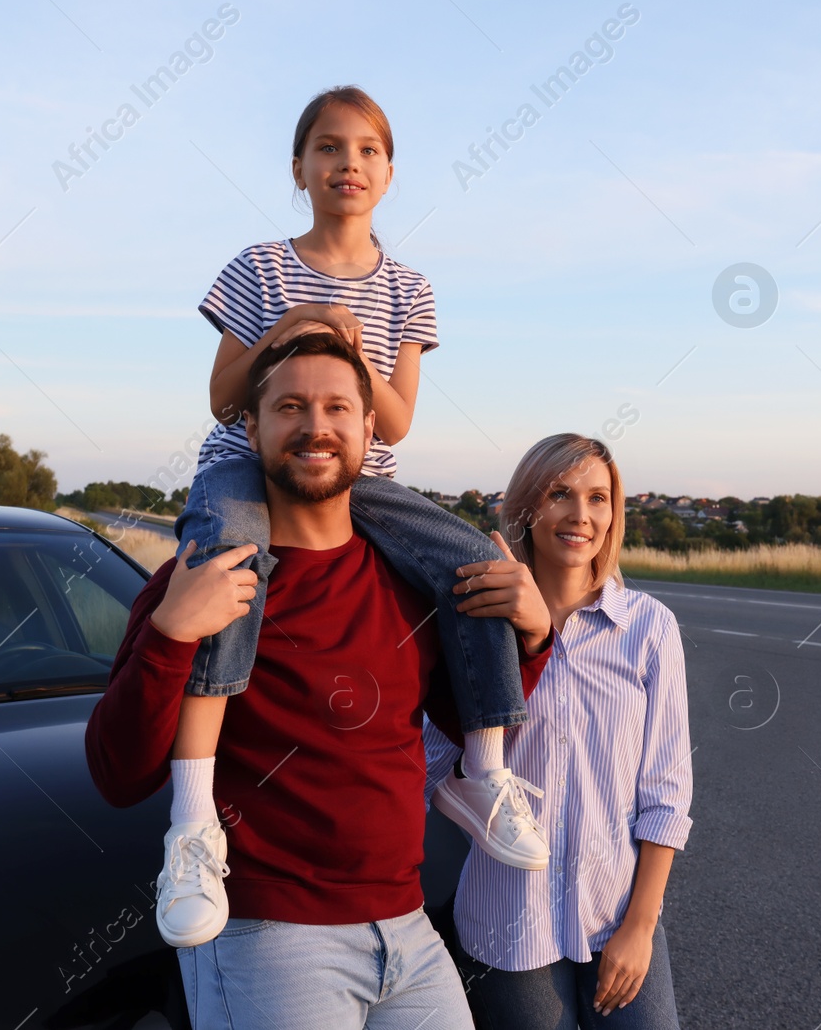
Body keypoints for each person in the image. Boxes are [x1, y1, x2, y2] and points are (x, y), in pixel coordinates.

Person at [161, 86, 548, 949]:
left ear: (390, 173)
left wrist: (349, 347)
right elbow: (225, 399)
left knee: (465, 560)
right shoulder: (259, 267)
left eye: (368, 150)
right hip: (249, 462)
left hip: (357, 473)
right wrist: (290, 329)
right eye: (329, 148)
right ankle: (192, 822)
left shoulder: (407, 288)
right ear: (299, 169)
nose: (348, 164)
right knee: (227, 567)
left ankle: (483, 769)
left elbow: (398, 420)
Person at [85, 334, 556, 1029]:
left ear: (369, 428)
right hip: (270, 938)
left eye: (338, 407)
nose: (316, 425)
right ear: (252, 426)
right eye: (291, 406)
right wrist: (170, 633)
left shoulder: (408, 579)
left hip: (407, 929)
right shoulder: (199, 577)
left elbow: (469, 723)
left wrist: (538, 635)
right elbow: (117, 773)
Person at [425, 435, 693, 1030]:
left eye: (599, 498)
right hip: (507, 924)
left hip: (618, 916)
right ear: (526, 508)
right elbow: (433, 771)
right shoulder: (476, 625)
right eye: (560, 494)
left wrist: (640, 928)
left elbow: (666, 796)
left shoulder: (649, 628)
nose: (581, 515)